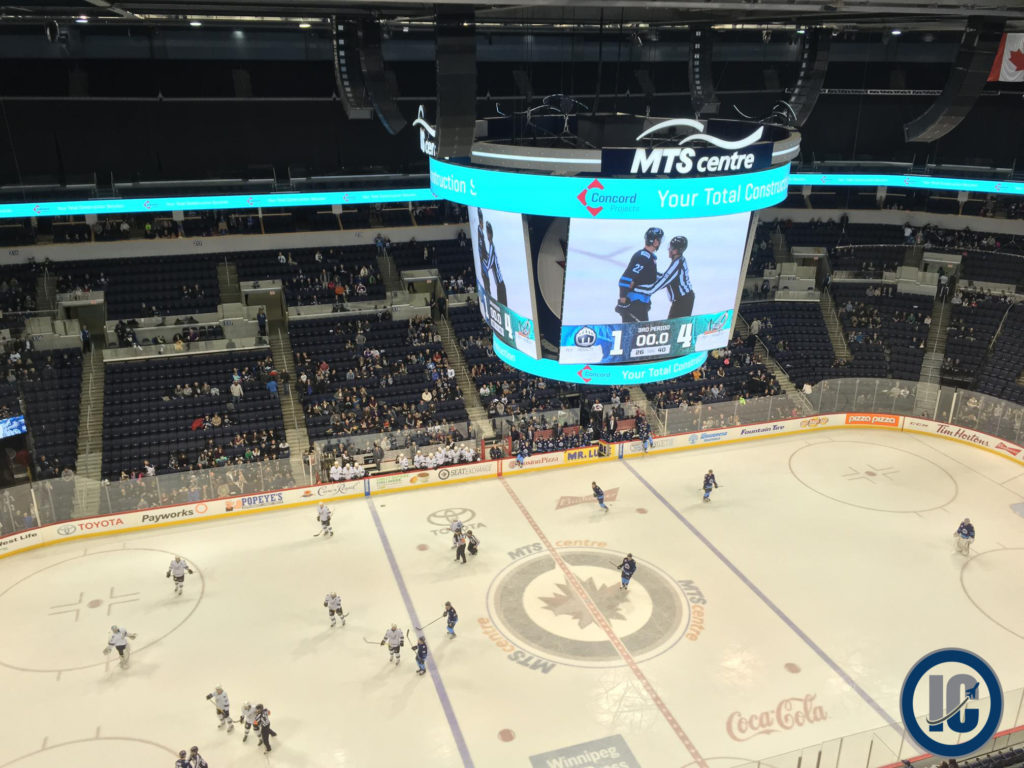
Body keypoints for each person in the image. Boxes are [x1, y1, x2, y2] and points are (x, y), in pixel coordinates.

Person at [642, 235, 695, 319]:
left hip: (683, 301)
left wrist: (640, 289)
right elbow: (666, 277)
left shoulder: (677, 265)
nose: (668, 249)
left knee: (674, 325)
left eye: (670, 248)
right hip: (683, 299)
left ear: (675, 251)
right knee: (674, 324)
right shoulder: (679, 260)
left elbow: (662, 282)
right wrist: (650, 272)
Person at [616, 227, 662, 322]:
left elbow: (648, 276)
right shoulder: (643, 256)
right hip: (635, 304)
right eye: (660, 239)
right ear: (655, 242)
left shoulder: (648, 257)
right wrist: (623, 302)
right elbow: (624, 280)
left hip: (641, 303)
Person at [482, 220, 508, 305]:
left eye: (488, 233)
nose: (487, 235)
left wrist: (483, 261)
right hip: (499, 285)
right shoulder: (491, 247)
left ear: (491, 234)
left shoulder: (492, 247)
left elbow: (488, 265)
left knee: (502, 307)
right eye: (487, 233)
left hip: (500, 285)